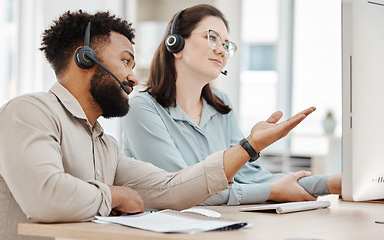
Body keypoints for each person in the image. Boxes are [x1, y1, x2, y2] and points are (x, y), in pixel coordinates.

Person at [0, 10, 316, 240]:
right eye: (125, 61)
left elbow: (170, 189)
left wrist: (249, 146)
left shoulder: (103, 144)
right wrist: (115, 195)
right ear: (85, 59)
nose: (133, 77)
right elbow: (46, 198)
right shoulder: (28, 111)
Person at [122, 4, 341, 206]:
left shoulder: (221, 105)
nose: (222, 50)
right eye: (212, 38)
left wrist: (334, 183)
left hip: (218, 225)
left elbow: (250, 176)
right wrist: (271, 191)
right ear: (176, 45)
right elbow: (184, 192)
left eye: (226, 44)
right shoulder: (142, 109)